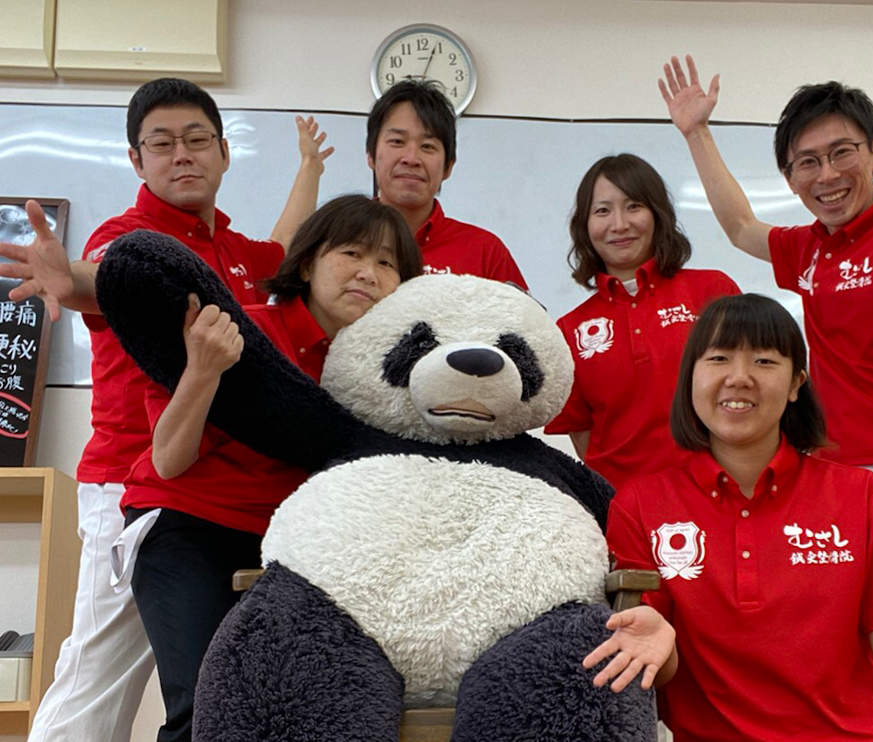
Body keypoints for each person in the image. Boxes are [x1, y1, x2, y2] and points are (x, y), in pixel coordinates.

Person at [659, 54, 873, 739]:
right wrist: (696, 134)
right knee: (847, 643)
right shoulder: (810, 248)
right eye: (806, 162)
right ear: (792, 177)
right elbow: (743, 230)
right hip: (832, 478)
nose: (826, 174)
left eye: (842, 153)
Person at [0, 78, 332, 742]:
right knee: (100, 674)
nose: (181, 155)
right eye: (162, 144)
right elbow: (108, 279)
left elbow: (285, 250)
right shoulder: (127, 240)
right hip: (135, 487)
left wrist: (309, 169)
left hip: (207, 498)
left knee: (202, 685)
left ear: (223, 152)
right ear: (136, 160)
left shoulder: (234, 253)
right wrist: (72, 278)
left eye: (196, 140)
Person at [583, 293, 873, 741]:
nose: (739, 378)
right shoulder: (640, 505)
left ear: (797, 383)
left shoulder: (862, 494)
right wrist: (656, 639)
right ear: (691, 378)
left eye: (764, 361)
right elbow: (654, 657)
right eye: (718, 358)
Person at [117, 194, 421, 742]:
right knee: (204, 702)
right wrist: (203, 371)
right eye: (351, 253)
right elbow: (167, 460)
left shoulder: (382, 370)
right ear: (306, 263)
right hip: (188, 525)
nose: (368, 274)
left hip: (288, 547)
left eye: (386, 263)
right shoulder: (241, 332)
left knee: (289, 708)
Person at [543, 154, 739, 489]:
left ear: (658, 214)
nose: (619, 224)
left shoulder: (712, 290)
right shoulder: (568, 329)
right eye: (602, 211)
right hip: (622, 511)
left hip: (717, 494)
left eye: (634, 206)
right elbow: (581, 431)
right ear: (585, 226)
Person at [366, 79, 528, 287]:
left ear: (448, 166)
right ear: (371, 155)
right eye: (397, 142)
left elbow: (526, 319)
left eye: (427, 146)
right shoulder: (341, 241)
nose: (411, 158)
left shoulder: (484, 251)